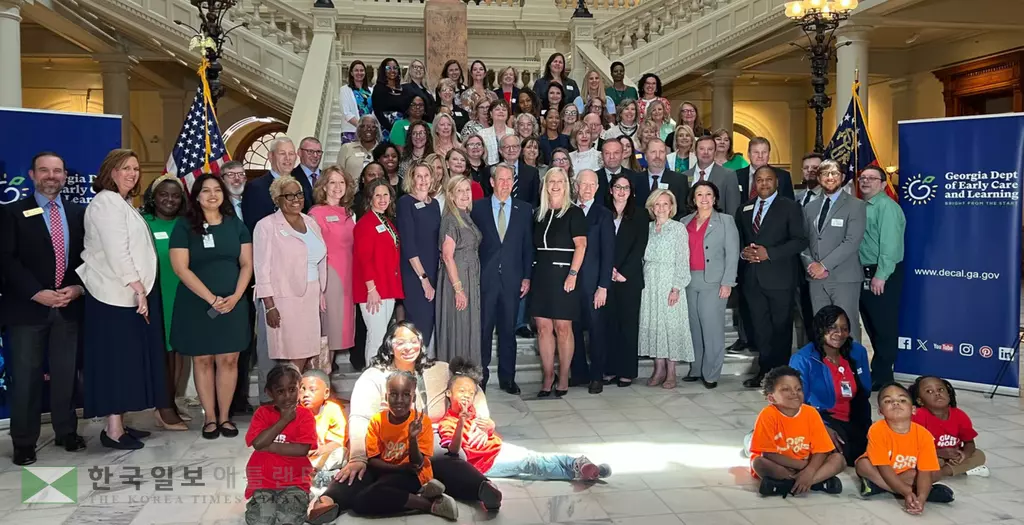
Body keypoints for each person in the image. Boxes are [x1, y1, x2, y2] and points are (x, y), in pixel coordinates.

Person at [310, 322, 503, 521]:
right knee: (361, 470)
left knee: (446, 459)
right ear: (389, 345)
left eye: (413, 341)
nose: (408, 347)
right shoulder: (373, 376)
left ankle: (485, 489)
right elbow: (359, 417)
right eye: (401, 342)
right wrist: (358, 456)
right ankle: (330, 501)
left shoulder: (440, 369)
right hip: (385, 442)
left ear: (421, 343)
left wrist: (483, 418)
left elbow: (473, 388)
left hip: (428, 436)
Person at [1, 151, 88, 464]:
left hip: (68, 306)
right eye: (44, 171)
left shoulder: (80, 213)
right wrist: (37, 292)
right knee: (25, 378)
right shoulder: (12, 212)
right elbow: (7, 259)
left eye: (57, 171)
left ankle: (66, 431)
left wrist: (78, 288)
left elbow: (86, 259)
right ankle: (24, 440)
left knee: (66, 376)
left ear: (65, 176)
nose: (51, 176)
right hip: (27, 309)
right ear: (32, 174)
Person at [78, 149, 167, 450]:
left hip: (126, 296)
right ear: (110, 172)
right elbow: (118, 252)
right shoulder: (105, 203)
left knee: (128, 363)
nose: (132, 173)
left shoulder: (121, 203)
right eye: (125, 168)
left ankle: (120, 423)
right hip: (113, 297)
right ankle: (113, 430)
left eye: (135, 168)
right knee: (116, 364)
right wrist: (139, 288)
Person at [170, 174, 253, 440]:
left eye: (217, 190)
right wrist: (211, 299)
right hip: (197, 303)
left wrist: (236, 296)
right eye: (205, 190)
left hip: (233, 303)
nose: (212, 195)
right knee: (203, 360)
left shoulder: (236, 225)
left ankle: (226, 417)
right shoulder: (184, 227)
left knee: (229, 360)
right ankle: (210, 418)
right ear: (196, 195)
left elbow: (247, 265)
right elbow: (180, 268)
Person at [440, 357, 611, 480]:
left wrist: (490, 427)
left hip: (496, 450)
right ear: (449, 393)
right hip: (484, 464)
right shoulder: (447, 423)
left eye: (471, 393)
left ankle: (579, 467)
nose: (466, 397)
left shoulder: (473, 411)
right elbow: (453, 451)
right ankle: (578, 466)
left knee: (534, 459)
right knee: (530, 462)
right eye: (461, 391)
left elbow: (492, 433)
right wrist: (461, 423)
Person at [350, 372, 458, 521]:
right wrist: (398, 468)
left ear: (413, 398)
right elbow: (372, 460)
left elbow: (417, 463)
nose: (399, 400)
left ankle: (429, 505)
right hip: (391, 472)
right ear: (386, 397)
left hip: (414, 474)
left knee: (363, 500)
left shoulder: (421, 421)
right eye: (394, 394)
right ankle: (425, 497)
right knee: (366, 497)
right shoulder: (377, 421)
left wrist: (412, 438)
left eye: (406, 395)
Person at [738, 166, 808, 388]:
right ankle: (765, 373)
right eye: (759, 180)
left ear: (776, 182)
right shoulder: (744, 209)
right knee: (760, 329)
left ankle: (781, 376)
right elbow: (740, 240)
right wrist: (743, 252)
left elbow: (800, 241)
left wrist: (770, 253)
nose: (764, 184)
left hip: (780, 279)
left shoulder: (790, 207)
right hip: (753, 279)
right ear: (754, 183)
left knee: (781, 329)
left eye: (769, 180)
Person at [253, 175, 328, 372]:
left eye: (299, 194)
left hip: (310, 295)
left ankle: (298, 396)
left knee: (307, 351)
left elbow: (320, 258)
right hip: (284, 299)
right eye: (289, 195)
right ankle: (288, 399)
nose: (296, 199)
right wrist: (269, 306)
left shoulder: (310, 222)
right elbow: (261, 269)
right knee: (292, 354)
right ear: (277, 200)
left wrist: (321, 291)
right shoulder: (266, 226)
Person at [472, 164, 534, 394]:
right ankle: (481, 379)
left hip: (512, 280)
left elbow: (528, 246)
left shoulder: (524, 209)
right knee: (484, 331)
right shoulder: (477, 208)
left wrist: (527, 276)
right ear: (492, 182)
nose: (505, 183)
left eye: (510, 179)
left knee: (508, 332)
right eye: (501, 179)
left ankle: (508, 379)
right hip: (485, 281)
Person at [789, 305, 872, 466]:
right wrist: (821, 427)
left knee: (867, 455)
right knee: (831, 453)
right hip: (821, 418)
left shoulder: (858, 352)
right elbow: (796, 403)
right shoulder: (803, 359)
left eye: (844, 328)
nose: (839, 334)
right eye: (832, 327)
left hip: (855, 418)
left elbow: (865, 391)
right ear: (820, 329)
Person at [531, 168, 587, 398]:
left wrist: (573, 274)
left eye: (560, 181)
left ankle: (564, 375)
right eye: (551, 181)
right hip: (541, 275)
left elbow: (581, 246)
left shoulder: (574, 213)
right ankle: (547, 376)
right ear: (545, 185)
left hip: (565, 274)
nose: (555, 185)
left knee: (563, 328)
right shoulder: (538, 214)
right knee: (543, 328)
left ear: (566, 184)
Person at [855, 383, 954, 511]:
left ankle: (878, 487)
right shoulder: (877, 430)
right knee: (863, 465)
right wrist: (907, 492)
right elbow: (883, 467)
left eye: (902, 400)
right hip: (880, 471)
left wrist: (921, 499)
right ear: (880, 411)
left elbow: (924, 471)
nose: (896, 403)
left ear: (913, 409)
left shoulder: (924, 435)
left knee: (929, 473)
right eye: (888, 401)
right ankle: (913, 492)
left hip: (907, 474)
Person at [141, 175, 191, 427]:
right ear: (153, 197)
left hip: (182, 297)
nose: (169, 199)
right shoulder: (143, 223)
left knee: (178, 353)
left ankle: (170, 401)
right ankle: (162, 406)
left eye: (175, 195)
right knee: (162, 355)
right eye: (164, 194)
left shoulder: (186, 224)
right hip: (155, 296)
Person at [749, 366, 845, 497]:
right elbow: (768, 454)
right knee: (759, 463)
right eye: (785, 389)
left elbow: (822, 450)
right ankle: (816, 483)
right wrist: (804, 467)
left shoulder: (811, 413)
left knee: (838, 460)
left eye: (798, 389)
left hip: (808, 464)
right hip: (782, 464)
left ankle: (788, 485)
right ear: (771, 398)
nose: (794, 393)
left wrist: (810, 470)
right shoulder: (767, 415)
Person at [680, 181, 738, 389]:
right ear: (693, 199)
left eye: (708, 194)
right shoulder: (684, 221)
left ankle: (711, 373)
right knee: (694, 327)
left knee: (711, 328)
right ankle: (696, 368)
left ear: (715, 199)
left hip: (714, 282)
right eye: (699, 194)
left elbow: (732, 254)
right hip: (688, 280)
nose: (704, 198)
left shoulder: (725, 221)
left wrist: (728, 282)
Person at [801, 159, 867, 342]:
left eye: (834, 173)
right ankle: (826, 368)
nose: (829, 177)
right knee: (822, 330)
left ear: (842, 177)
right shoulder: (809, 207)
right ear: (819, 178)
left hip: (844, 278)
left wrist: (824, 265)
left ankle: (851, 368)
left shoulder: (856, 205)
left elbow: (852, 242)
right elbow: (803, 241)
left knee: (846, 327)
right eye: (824, 174)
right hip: (815, 279)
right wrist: (811, 265)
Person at [244, 364, 317, 525]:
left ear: (300, 389)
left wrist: (268, 445)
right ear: (269, 393)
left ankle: (301, 499)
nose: (287, 396)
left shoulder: (305, 416)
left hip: (294, 482)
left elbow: (301, 449)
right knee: (262, 520)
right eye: (280, 391)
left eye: (292, 389)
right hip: (263, 482)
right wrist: (284, 420)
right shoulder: (262, 413)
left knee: (288, 519)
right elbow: (257, 443)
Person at [638, 189, 691, 389]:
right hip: (650, 281)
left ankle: (671, 371)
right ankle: (658, 368)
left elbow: (682, 259)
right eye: (657, 204)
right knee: (654, 325)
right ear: (652, 207)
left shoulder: (678, 229)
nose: (661, 208)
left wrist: (676, 287)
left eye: (665, 204)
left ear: (672, 207)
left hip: (670, 281)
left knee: (670, 326)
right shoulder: (648, 228)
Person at [858, 166, 905, 388]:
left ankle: (884, 376)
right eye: (863, 178)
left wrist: (881, 275)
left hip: (881, 273)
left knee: (884, 327)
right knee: (871, 325)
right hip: (863, 271)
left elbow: (890, 245)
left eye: (872, 178)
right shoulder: (862, 206)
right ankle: (877, 371)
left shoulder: (887, 207)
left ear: (883, 184)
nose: (866, 181)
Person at [567, 170, 614, 394]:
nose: (587, 189)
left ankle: (597, 376)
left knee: (596, 332)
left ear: (597, 187)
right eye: (583, 184)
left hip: (594, 284)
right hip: (570, 283)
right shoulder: (567, 211)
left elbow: (608, 253)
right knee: (572, 329)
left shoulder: (603, 215)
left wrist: (603, 286)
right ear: (576, 186)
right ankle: (578, 373)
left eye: (591, 185)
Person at [307, 167, 357, 368]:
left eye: (341, 182)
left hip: (348, 278)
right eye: (332, 182)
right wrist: (318, 287)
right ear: (324, 186)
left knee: (337, 332)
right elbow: (310, 253)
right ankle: (318, 379)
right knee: (325, 332)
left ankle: (325, 377)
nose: (337, 187)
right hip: (328, 278)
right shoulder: (315, 214)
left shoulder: (348, 213)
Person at [602, 174, 648, 387]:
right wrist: (607, 270)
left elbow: (640, 246)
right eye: (618, 187)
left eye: (626, 188)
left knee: (628, 325)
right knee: (608, 324)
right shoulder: (602, 213)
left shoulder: (640, 214)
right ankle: (609, 368)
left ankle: (627, 371)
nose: (621, 192)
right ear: (611, 190)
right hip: (605, 276)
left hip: (629, 279)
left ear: (631, 192)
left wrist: (623, 272)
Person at [353, 178, 403, 364]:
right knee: (376, 337)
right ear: (369, 199)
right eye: (377, 195)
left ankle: (379, 375)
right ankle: (372, 378)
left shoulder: (386, 221)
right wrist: (371, 289)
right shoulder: (365, 224)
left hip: (387, 286)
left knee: (382, 336)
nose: (382, 199)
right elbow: (363, 258)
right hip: (373, 290)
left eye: (386, 195)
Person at [436, 176, 483, 364]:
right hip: (457, 279)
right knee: (458, 326)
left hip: (469, 277)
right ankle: (456, 377)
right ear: (451, 196)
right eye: (460, 191)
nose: (465, 194)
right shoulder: (450, 219)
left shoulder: (465, 215)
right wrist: (458, 289)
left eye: (467, 190)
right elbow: (447, 256)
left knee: (467, 326)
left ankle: (467, 376)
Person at [397, 163, 441, 349]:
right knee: (418, 323)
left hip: (434, 270)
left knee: (429, 322)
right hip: (415, 273)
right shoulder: (406, 202)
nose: (423, 180)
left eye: (426, 175)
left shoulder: (435, 204)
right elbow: (408, 244)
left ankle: (422, 369)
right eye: (418, 176)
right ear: (411, 179)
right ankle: (411, 370)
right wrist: (423, 279)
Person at [909, 376, 989, 479]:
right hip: (930, 455)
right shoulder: (918, 416)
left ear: (948, 394)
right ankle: (956, 470)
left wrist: (964, 454)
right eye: (929, 391)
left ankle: (941, 473)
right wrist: (939, 453)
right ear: (920, 401)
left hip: (952, 456)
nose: (937, 393)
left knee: (979, 455)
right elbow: (911, 447)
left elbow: (969, 442)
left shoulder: (960, 415)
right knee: (933, 461)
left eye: (941, 389)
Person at [242, 136, 311, 231]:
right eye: (282, 153)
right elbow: (253, 227)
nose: (288, 158)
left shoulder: (302, 185)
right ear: (270, 156)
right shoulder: (255, 188)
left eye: (291, 153)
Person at [794, 152, 824, 347]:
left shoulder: (832, 200)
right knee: (803, 313)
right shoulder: (798, 198)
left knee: (820, 315)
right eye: (807, 168)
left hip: (821, 265)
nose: (810, 172)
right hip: (798, 265)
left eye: (815, 168)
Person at [300, 369, 348, 486]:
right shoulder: (294, 412)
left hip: (324, 455)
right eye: (302, 389)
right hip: (302, 457)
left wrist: (320, 450)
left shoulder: (332, 410)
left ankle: (321, 474)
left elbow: (337, 442)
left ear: (326, 393)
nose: (306, 394)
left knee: (341, 453)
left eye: (312, 390)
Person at [683, 135, 741, 217]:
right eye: (702, 149)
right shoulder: (684, 176)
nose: (706, 152)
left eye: (710, 149)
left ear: (715, 152)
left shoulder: (728, 175)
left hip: (719, 227)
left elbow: (733, 209)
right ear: (695, 152)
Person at [633, 138, 687, 220]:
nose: (657, 156)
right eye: (653, 152)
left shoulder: (680, 180)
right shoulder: (634, 180)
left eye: (661, 152)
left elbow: (683, 212)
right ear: (646, 156)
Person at [736, 137, 795, 201]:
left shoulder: (783, 176)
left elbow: (790, 205)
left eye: (764, 152)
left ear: (769, 154)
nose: (760, 156)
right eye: (756, 152)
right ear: (748, 154)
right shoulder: (736, 176)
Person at [373, 58, 412, 143]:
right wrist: (391, 128)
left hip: (403, 127)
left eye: (395, 68)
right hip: (386, 128)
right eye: (388, 68)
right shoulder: (378, 88)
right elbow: (377, 111)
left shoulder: (403, 89)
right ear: (383, 70)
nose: (392, 70)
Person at [497, 134, 541, 207]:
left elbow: (535, 200)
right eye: (507, 147)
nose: (511, 150)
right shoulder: (491, 171)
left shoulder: (532, 172)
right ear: (500, 150)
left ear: (520, 149)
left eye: (515, 146)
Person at [337, 115, 381, 182]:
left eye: (372, 126)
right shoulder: (346, 148)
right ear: (359, 129)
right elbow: (338, 175)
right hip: (352, 191)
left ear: (377, 130)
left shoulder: (383, 150)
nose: (368, 129)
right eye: (364, 126)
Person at [339, 59, 373, 144]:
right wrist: (361, 127)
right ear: (351, 73)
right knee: (351, 156)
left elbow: (373, 112)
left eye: (362, 70)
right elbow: (346, 112)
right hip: (351, 131)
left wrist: (369, 128)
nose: (359, 73)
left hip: (369, 131)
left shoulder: (371, 91)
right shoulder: (345, 90)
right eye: (356, 70)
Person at [480, 100, 515, 166]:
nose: (501, 111)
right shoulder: (482, 134)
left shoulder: (514, 133)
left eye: (504, 109)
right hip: (488, 169)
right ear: (491, 113)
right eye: (497, 109)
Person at [403, 59, 437, 123]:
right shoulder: (405, 88)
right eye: (415, 67)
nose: (418, 69)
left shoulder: (427, 90)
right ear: (410, 70)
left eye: (421, 68)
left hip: (428, 123)